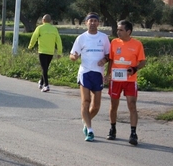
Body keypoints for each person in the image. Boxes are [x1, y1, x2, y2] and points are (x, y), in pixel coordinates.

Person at [69, 12, 110, 142]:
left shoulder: (103, 38)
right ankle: (90, 130)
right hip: (85, 72)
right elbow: (72, 54)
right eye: (90, 21)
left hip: (98, 74)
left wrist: (104, 60)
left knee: (96, 106)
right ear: (86, 23)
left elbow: (109, 55)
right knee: (86, 101)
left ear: (99, 23)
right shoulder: (81, 38)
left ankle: (86, 121)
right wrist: (74, 57)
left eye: (95, 21)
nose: (92, 23)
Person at [105, 20, 146, 146]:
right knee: (114, 105)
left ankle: (133, 133)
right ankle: (112, 129)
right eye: (117, 29)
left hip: (130, 80)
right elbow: (111, 60)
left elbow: (143, 62)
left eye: (121, 30)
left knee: (132, 105)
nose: (118, 32)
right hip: (116, 79)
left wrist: (134, 69)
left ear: (128, 31)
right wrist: (107, 75)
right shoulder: (114, 42)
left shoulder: (137, 44)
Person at [28, 14, 63, 92]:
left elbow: (34, 38)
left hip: (42, 51)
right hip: (50, 52)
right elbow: (59, 41)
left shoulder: (40, 28)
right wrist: (59, 52)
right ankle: (41, 82)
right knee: (45, 68)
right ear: (50, 21)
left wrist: (30, 46)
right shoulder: (54, 29)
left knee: (44, 68)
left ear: (42, 20)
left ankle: (46, 85)